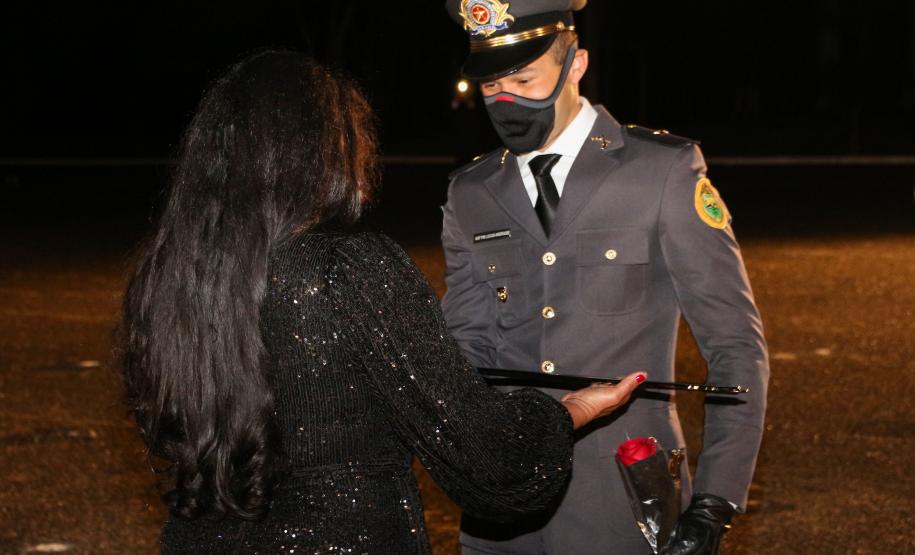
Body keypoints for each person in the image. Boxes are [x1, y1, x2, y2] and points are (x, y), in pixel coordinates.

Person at [119, 50, 646, 554]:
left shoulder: (166, 275)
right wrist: (568, 411)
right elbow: (485, 461)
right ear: (323, 148)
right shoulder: (348, 268)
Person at [441, 1, 770, 554]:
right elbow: (464, 351)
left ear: (576, 64)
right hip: (502, 514)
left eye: (523, 78)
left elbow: (736, 345)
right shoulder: (471, 193)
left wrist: (716, 501)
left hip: (624, 500)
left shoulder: (660, 171)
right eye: (491, 85)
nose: (506, 100)